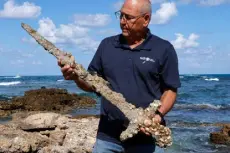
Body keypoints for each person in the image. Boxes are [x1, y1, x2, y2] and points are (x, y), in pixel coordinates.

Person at [58, 0, 181, 152]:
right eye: (121, 15)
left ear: (146, 19)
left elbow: (170, 90)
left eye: (129, 17)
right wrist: (76, 77)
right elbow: (92, 85)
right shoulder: (107, 45)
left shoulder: (163, 49)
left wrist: (157, 116)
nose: (123, 21)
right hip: (107, 137)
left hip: (147, 139)